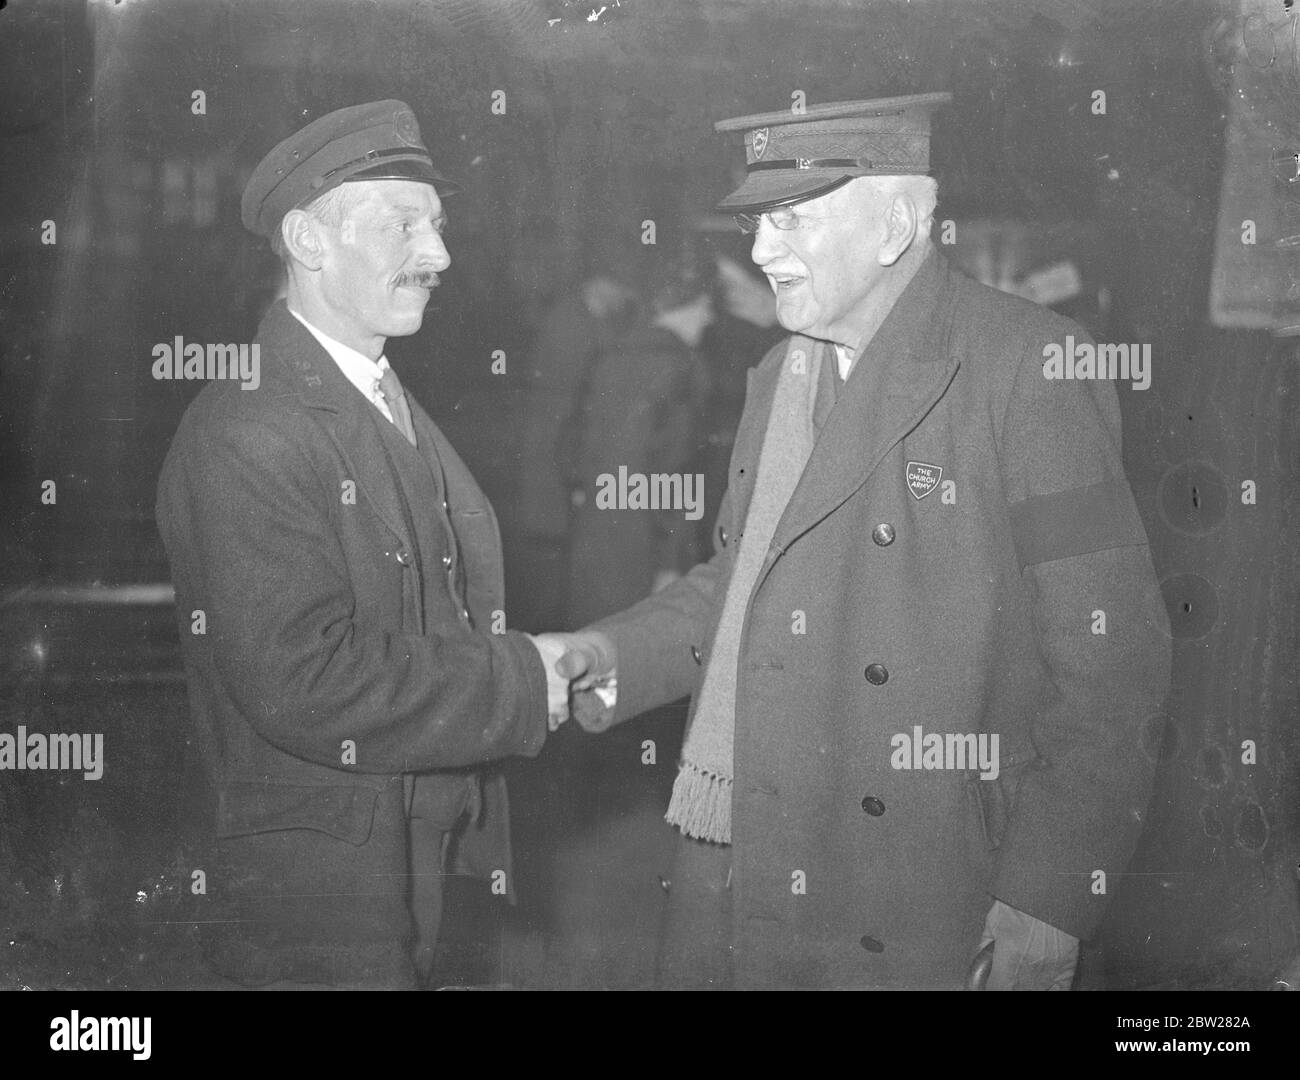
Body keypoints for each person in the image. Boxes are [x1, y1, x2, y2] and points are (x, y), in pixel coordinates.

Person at [536, 93, 1172, 989]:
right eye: (757, 221)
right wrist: (608, 652)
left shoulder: (1026, 366)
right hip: (748, 840)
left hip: (922, 879)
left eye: (793, 219)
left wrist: (1050, 895)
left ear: (897, 224)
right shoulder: (778, 371)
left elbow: (1114, 663)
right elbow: (746, 585)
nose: (759, 250)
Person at [155, 101, 571, 988]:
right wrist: (524, 677)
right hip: (325, 894)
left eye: (439, 225)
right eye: (404, 225)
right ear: (308, 240)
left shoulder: (377, 393)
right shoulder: (248, 423)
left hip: (416, 849)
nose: (440, 255)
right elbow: (301, 679)